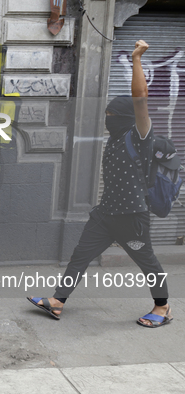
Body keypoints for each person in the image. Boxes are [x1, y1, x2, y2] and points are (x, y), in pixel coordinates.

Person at [28, 40, 172, 328]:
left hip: (132, 216)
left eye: (113, 116)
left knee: (147, 262)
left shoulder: (139, 136)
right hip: (106, 213)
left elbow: (140, 98)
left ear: (128, 118)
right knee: (81, 254)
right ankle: (57, 301)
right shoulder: (116, 138)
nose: (109, 120)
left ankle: (163, 307)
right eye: (107, 115)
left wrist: (136, 60)